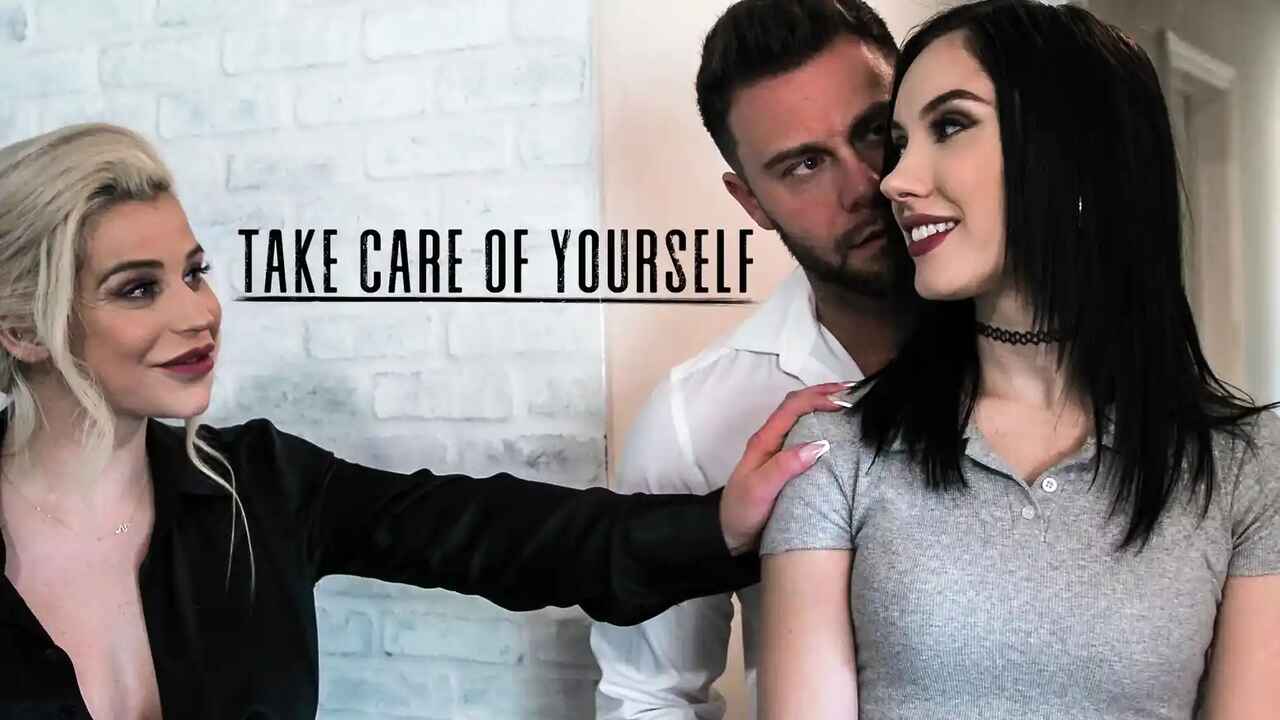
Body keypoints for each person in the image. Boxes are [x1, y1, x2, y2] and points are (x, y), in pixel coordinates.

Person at [0, 123, 848, 719]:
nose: (199, 314)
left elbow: (492, 532)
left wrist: (718, 524)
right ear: (22, 328)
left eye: (194, 272)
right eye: (138, 289)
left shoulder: (256, 487)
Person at [759, 1, 1280, 718]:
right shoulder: (836, 453)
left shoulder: (1247, 469)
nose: (893, 181)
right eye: (901, 143)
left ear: (1076, 152)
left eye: (950, 125)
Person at [591, 1, 914, 718]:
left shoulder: (1057, 354)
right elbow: (649, 696)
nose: (864, 185)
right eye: (805, 165)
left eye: (875, 131)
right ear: (752, 203)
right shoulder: (697, 415)